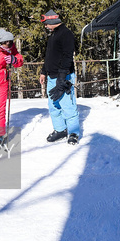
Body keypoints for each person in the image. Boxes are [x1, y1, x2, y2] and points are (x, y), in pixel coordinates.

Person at [39, 10, 80, 145]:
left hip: (64, 76)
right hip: (51, 76)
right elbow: (49, 57)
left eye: (45, 23)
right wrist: (43, 72)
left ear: (51, 21)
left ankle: (73, 132)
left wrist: (62, 77)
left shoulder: (66, 34)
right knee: (53, 105)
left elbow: (68, 56)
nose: (45, 26)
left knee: (67, 105)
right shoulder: (53, 36)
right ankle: (60, 129)